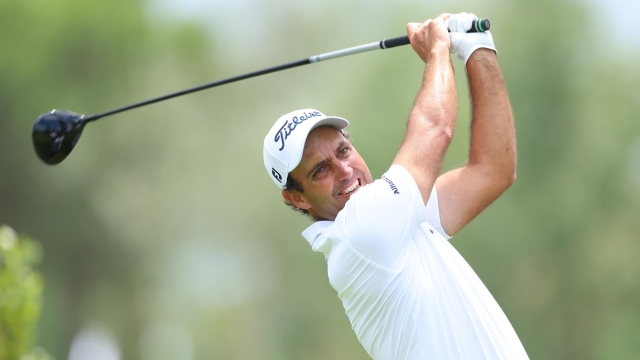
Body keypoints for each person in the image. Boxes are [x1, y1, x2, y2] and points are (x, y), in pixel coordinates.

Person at [262, 12, 528, 360]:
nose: (344, 170)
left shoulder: (395, 221)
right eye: (320, 170)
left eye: (343, 150)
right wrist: (438, 51)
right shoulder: (360, 232)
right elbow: (435, 129)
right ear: (296, 197)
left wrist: (478, 50)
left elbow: (494, 170)